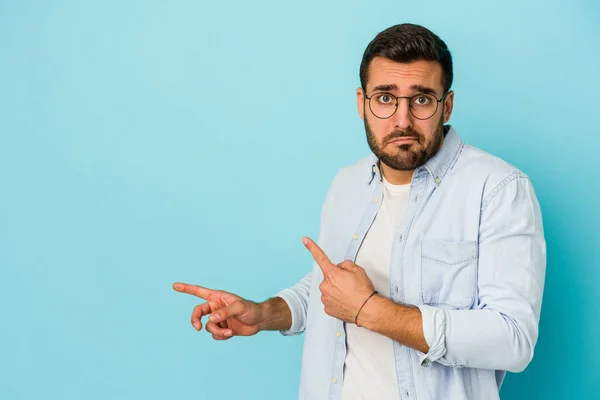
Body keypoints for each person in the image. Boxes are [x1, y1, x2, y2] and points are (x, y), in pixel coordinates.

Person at [173, 23, 546, 400]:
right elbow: (328, 289)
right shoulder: (347, 184)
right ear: (361, 102)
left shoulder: (497, 189)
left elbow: (512, 339)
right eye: (385, 98)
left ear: (445, 105)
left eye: (421, 99)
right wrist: (263, 313)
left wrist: (369, 310)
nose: (402, 120)